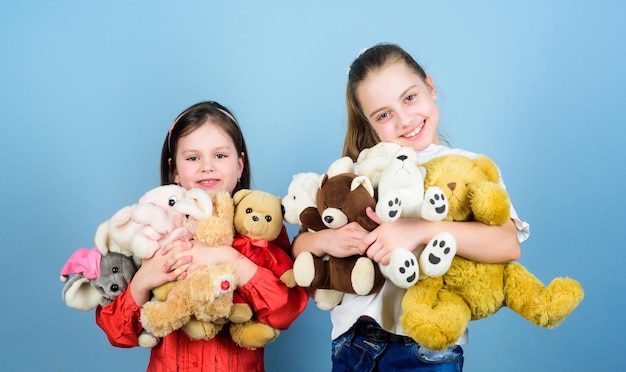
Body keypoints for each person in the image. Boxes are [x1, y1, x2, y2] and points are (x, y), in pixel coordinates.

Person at [292, 43, 530, 371]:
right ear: (369, 122)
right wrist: (324, 241)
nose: (405, 119)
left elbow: (507, 243)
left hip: (426, 347)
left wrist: (420, 229)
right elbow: (300, 244)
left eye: (410, 97)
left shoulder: (467, 167)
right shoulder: (359, 171)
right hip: (353, 344)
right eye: (384, 114)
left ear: (429, 86)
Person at [96, 101, 309, 371]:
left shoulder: (261, 227)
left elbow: (286, 310)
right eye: (193, 158)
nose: (207, 166)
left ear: (240, 164)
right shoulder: (149, 233)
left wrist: (229, 257)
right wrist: (142, 281)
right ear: (174, 169)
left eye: (220, 155)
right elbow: (118, 333)